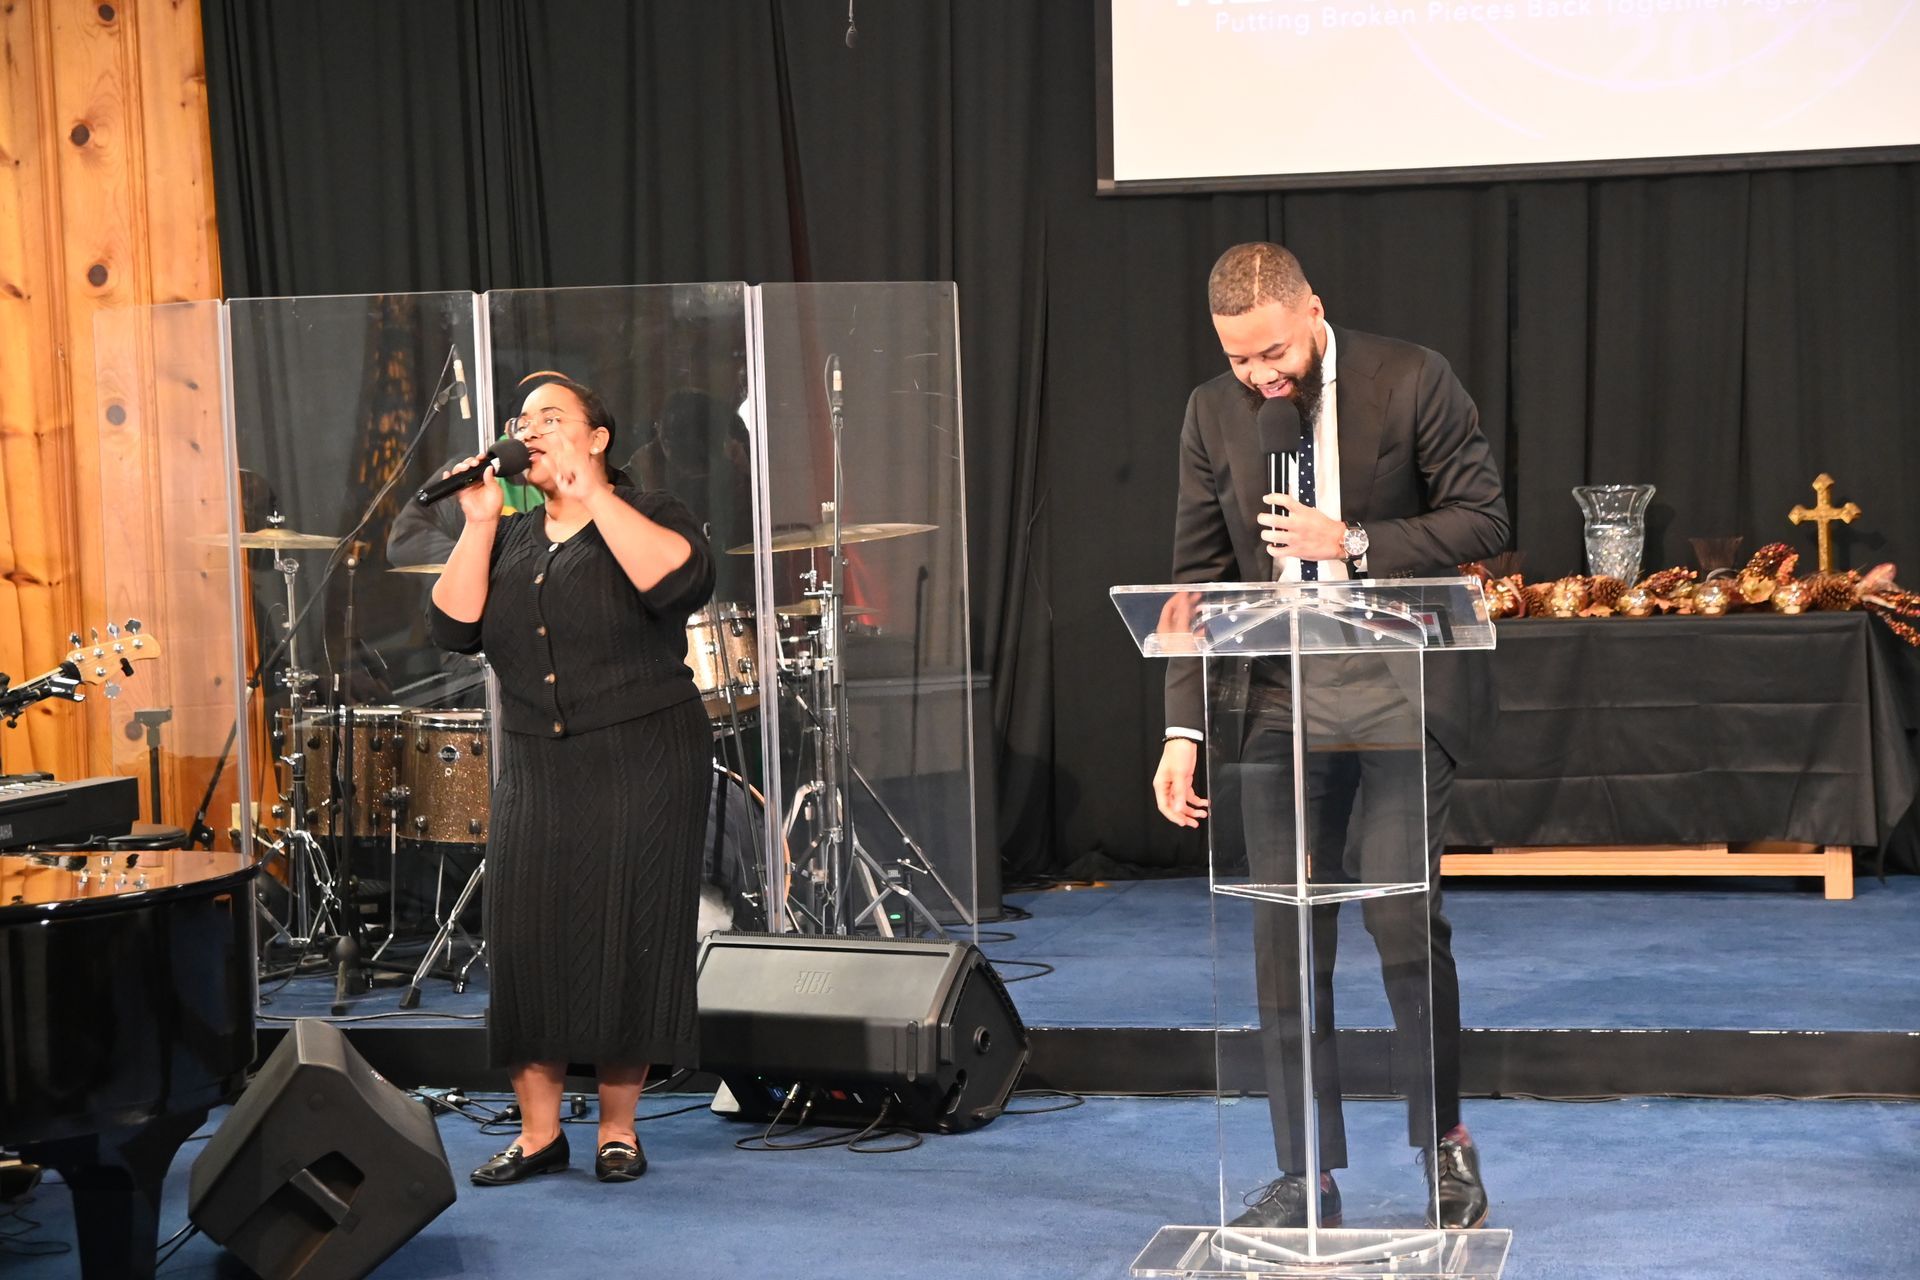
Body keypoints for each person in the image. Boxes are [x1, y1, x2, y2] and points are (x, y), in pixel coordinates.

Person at [1152, 242, 1508, 1231]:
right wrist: (1182, 729)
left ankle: (1443, 1144)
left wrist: (1349, 541)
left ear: (1313, 308)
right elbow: (1195, 581)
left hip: (1398, 684)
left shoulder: (1412, 377)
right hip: (1278, 694)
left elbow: (1483, 518)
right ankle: (1303, 1170)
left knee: (1401, 922)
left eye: (1273, 352)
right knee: (1283, 935)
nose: (1261, 376)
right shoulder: (1211, 413)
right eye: (1239, 360)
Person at [428, 374, 715, 1186]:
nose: (532, 431)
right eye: (523, 421)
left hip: (643, 754)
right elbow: (452, 626)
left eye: (552, 418)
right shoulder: (513, 534)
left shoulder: (650, 511)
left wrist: (592, 494)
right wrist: (479, 523)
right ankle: (539, 1133)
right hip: (537, 764)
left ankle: (617, 1130)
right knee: (527, 940)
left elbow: (677, 581)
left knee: (630, 930)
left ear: (597, 437)